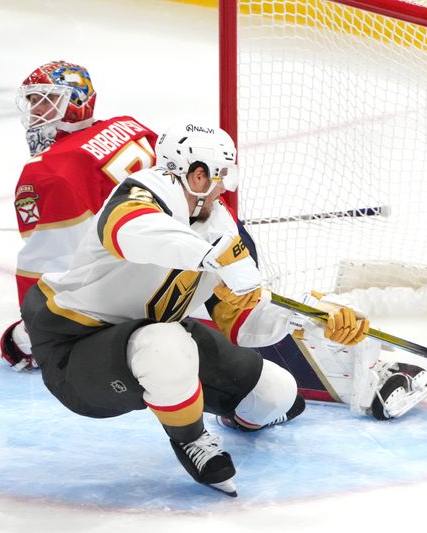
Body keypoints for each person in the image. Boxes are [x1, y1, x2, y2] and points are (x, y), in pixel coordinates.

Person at [20, 122, 370, 496]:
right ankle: (190, 438)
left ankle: (212, 406)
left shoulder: (219, 226)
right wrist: (212, 257)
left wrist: (310, 318)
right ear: (197, 174)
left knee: (275, 395)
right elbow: (135, 235)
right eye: (223, 175)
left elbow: (243, 320)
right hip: (73, 347)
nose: (226, 187)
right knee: (163, 342)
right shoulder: (138, 194)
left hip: (152, 336)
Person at [0, 60, 158, 370]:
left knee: (16, 343)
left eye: (45, 101)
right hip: (180, 264)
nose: (34, 112)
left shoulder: (47, 171)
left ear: (74, 104)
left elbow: (48, 262)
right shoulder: (129, 126)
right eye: (32, 101)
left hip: (131, 290)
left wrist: (34, 328)